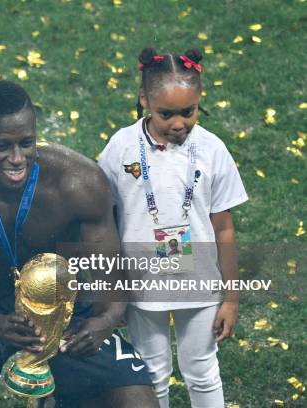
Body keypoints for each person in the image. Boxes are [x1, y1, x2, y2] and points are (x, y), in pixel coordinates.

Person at [0, 81, 157, 408]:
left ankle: (62, 393)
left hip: (63, 303)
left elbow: (110, 279)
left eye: (25, 143)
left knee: (137, 402)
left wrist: (103, 322)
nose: (17, 158)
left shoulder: (79, 181)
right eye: (2, 146)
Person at [98, 48, 248, 408]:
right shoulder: (120, 147)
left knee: (201, 370)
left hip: (199, 283)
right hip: (142, 283)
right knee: (151, 373)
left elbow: (223, 228)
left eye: (189, 111)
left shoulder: (213, 150)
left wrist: (230, 296)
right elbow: (102, 219)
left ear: (199, 102)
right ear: (144, 99)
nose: (178, 123)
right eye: (166, 113)